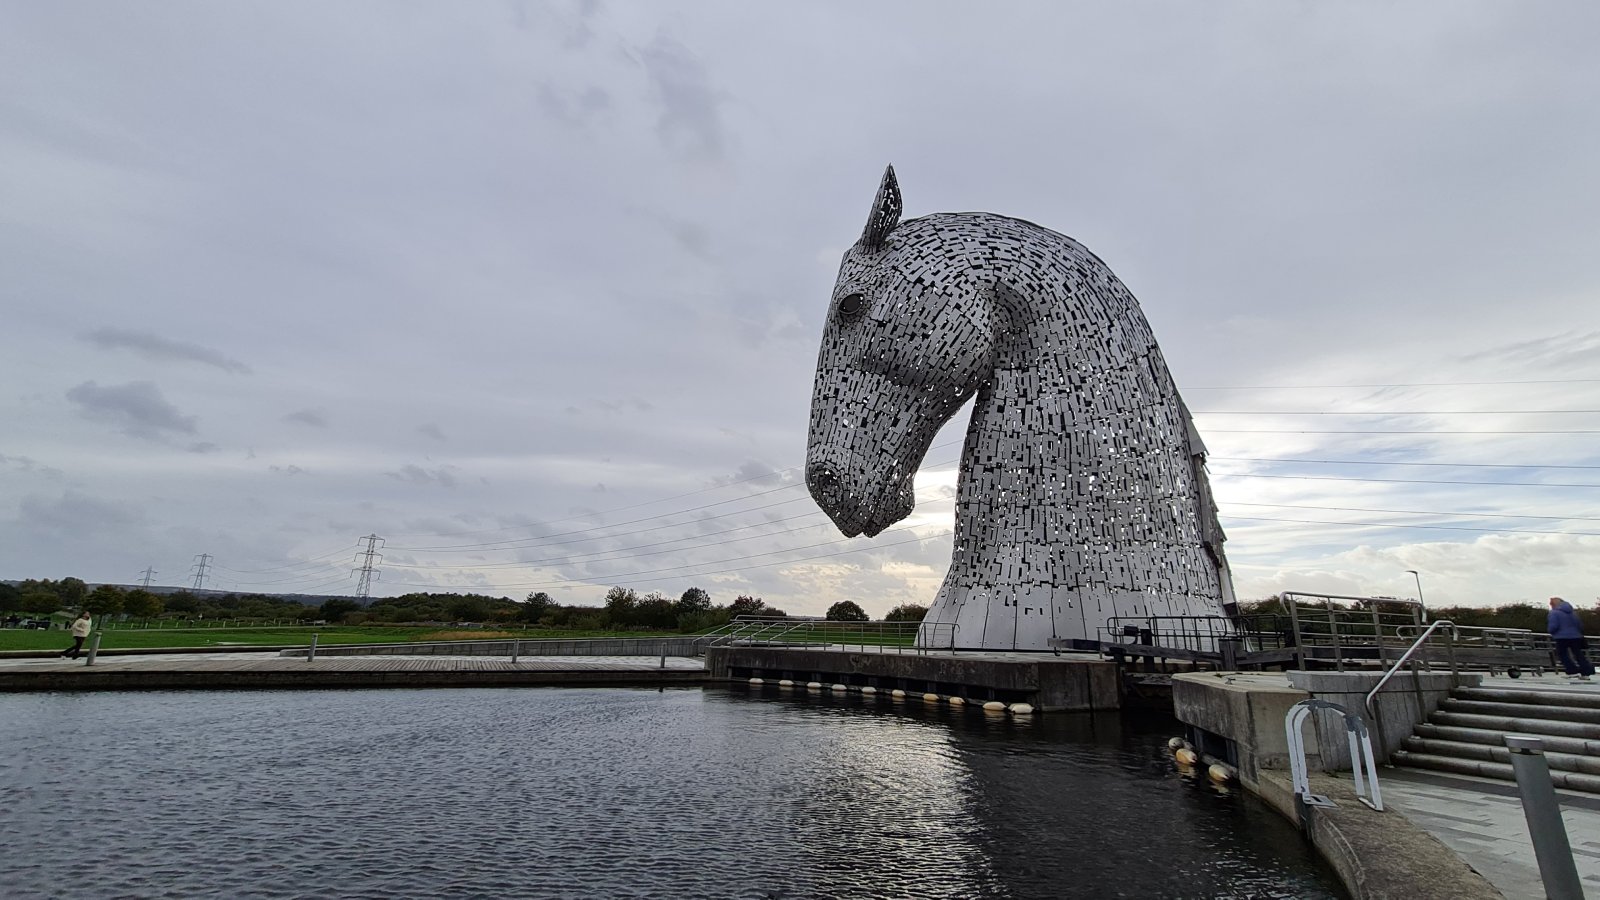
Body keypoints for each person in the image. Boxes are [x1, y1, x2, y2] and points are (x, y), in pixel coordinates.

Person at [1548, 597, 1595, 682]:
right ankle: (1586, 672)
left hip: (1561, 637)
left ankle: (1572, 671)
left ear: (1554, 604)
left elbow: (1553, 626)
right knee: (1579, 655)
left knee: (1563, 654)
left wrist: (1551, 632)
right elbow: (1580, 625)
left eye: (1551, 604)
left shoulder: (1554, 613)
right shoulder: (1573, 613)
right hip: (1576, 636)